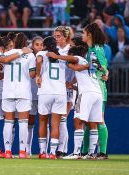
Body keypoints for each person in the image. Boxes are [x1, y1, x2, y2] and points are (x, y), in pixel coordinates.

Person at [36, 36, 78, 159]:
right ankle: (53, 153)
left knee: (43, 122)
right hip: (60, 93)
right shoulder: (61, 57)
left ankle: (43, 152)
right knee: (56, 124)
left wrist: (38, 75)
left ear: (44, 45)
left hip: (45, 92)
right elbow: (74, 60)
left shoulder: (42, 53)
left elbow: (38, 61)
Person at [0, 33, 35, 159]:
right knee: (23, 123)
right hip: (23, 92)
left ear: (13, 42)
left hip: (8, 91)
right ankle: (22, 152)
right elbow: (32, 75)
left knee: (8, 123)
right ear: (25, 43)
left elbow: (1, 72)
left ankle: (7, 151)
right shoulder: (30, 55)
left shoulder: (7, 53)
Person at [80, 23, 109, 160]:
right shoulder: (89, 49)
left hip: (98, 88)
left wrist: (104, 72)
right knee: (87, 121)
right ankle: (85, 151)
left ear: (89, 34)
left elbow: (103, 66)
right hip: (91, 88)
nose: (82, 35)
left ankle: (103, 152)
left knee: (99, 120)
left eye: (83, 33)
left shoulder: (97, 48)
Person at [53, 26, 72, 158]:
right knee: (57, 120)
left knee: (63, 119)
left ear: (65, 37)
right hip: (56, 88)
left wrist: (73, 82)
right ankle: (59, 149)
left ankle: (62, 149)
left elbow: (78, 67)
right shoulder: (55, 50)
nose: (56, 39)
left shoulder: (70, 49)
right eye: (55, 36)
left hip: (68, 88)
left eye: (58, 36)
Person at [27, 36, 43, 156]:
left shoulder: (46, 57)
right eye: (37, 44)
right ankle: (28, 149)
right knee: (30, 122)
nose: (39, 46)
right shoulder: (29, 57)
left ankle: (45, 150)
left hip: (43, 93)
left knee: (44, 121)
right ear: (32, 45)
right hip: (32, 93)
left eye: (41, 44)